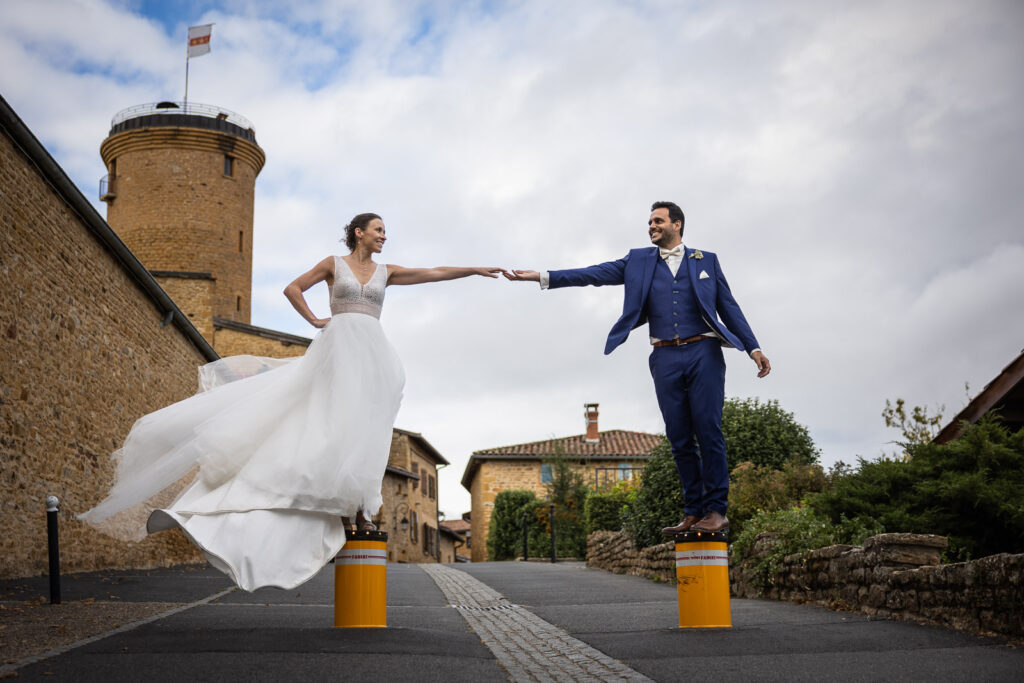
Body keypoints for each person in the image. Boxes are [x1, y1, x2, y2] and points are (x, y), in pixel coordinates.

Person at [80, 212, 504, 591]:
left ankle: (361, 507)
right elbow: (292, 288)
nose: (383, 237)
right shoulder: (332, 265)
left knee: (365, 427)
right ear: (359, 233)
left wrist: (474, 269)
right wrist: (316, 319)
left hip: (373, 354)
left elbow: (433, 272)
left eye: (385, 232)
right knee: (327, 420)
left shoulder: (386, 271)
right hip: (338, 348)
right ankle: (335, 505)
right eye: (378, 231)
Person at [505, 201, 769, 534]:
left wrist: (752, 347)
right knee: (678, 437)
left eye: (658, 221)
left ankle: (716, 510)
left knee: (708, 430)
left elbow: (729, 307)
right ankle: (692, 511)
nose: (651, 226)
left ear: (677, 225)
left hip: (704, 352)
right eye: (649, 222)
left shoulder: (706, 261)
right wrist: (544, 276)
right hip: (664, 356)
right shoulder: (638, 261)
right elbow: (593, 274)